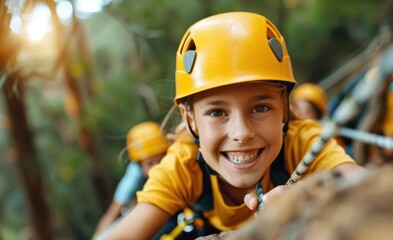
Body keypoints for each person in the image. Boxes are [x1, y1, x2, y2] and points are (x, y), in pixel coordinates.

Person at [107, 12, 363, 239]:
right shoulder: (184, 167)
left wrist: (316, 199)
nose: (241, 133)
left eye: (260, 108)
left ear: (284, 107)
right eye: (217, 112)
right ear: (189, 118)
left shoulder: (304, 143)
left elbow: (371, 188)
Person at [93, 121, 169, 239]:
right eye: (149, 164)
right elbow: (113, 213)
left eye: (161, 159)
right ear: (139, 165)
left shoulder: (176, 163)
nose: (157, 168)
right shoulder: (133, 177)